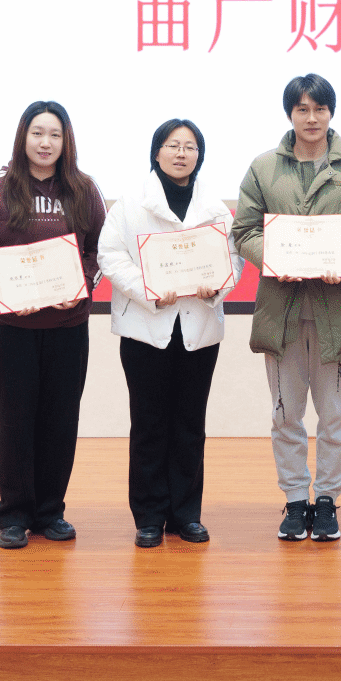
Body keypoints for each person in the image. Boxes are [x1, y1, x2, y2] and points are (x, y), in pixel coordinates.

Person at [230, 73, 341, 544]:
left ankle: (327, 501)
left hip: (337, 309)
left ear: (331, 112)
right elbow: (245, 231)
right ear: (290, 114)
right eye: (302, 109)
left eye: (320, 108)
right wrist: (275, 259)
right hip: (281, 309)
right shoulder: (264, 168)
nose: (312, 117)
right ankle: (296, 498)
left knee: (335, 416)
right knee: (285, 413)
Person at [0, 100, 105, 550]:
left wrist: (79, 287)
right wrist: (5, 289)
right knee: (13, 420)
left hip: (67, 325)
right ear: (23, 137)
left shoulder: (84, 189)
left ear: (66, 141)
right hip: (11, 329)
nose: (46, 143)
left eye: (55, 134)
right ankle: (14, 515)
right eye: (38, 133)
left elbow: (101, 250)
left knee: (60, 419)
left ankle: (50, 512)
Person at [97, 118, 244, 548]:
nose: (182, 153)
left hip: (198, 328)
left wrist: (218, 286)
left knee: (190, 424)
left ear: (200, 155)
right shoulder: (130, 205)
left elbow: (234, 258)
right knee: (148, 424)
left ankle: (186, 515)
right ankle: (148, 516)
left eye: (190, 146)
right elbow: (110, 255)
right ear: (156, 151)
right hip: (145, 329)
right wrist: (149, 290)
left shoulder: (215, 208)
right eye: (173, 144)